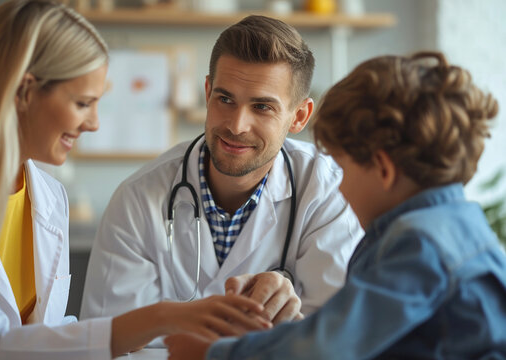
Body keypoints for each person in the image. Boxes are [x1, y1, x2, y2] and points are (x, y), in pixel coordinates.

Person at [0, 1, 270, 359]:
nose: (94, 123)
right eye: (83, 103)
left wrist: (148, 329)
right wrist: (158, 318)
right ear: (25, 92)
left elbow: (42, 338)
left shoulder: (47, 198)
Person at [164, 51, 506, 359]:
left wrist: (215, 353)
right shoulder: (458, 226)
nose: (338, 185)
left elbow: (332, 346)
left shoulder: (421, 243)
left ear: (383, 170)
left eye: (342, 168)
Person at [80, 14, 363, 337]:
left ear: (299, 116)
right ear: (207, 91)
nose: (236, 125)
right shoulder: (138, 199)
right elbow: (108, 343)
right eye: (225, 99)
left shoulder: (327, 191)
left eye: (262, 107)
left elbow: (337, 340)